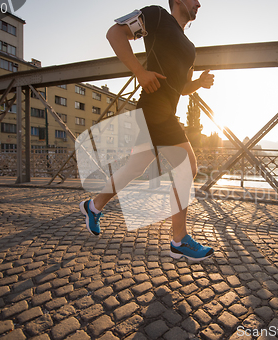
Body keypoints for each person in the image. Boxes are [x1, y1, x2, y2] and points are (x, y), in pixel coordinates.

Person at [79, 0, 215, 261]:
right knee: (188, 166)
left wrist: (198, 82)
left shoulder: (189, 48)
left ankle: (93, 206)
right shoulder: (158, 17)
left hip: (161, 111)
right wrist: (139, 71)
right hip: (154, 108)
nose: (199, 3)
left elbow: (182, 88)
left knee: (135, 168)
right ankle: (179, 239)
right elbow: (114, 33)